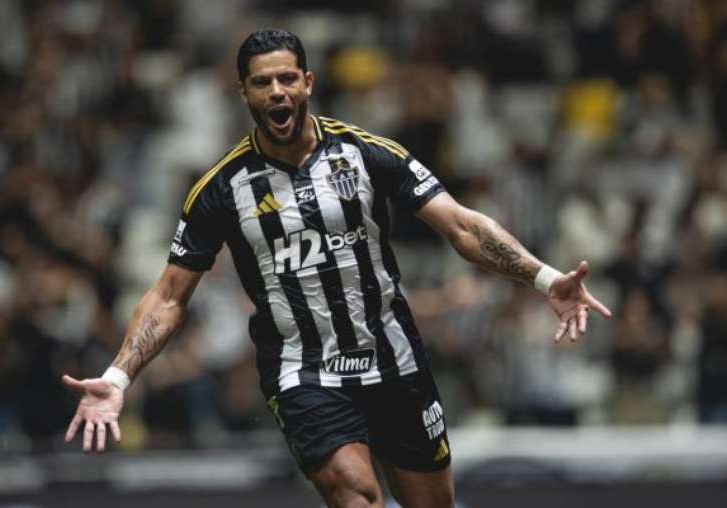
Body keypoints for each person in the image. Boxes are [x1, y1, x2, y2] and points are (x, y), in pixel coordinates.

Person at [63, 28, 611, 508]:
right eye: (262, 83)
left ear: (307, 82)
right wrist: (117, 376)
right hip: (305, 372)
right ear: (244, 93)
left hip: (394, 360)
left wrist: (544, 278)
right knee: (357, 495)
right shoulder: (221, 190)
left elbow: (461, 226)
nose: (277, 92)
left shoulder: (367, 153)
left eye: (286, 79)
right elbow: (169, 296)